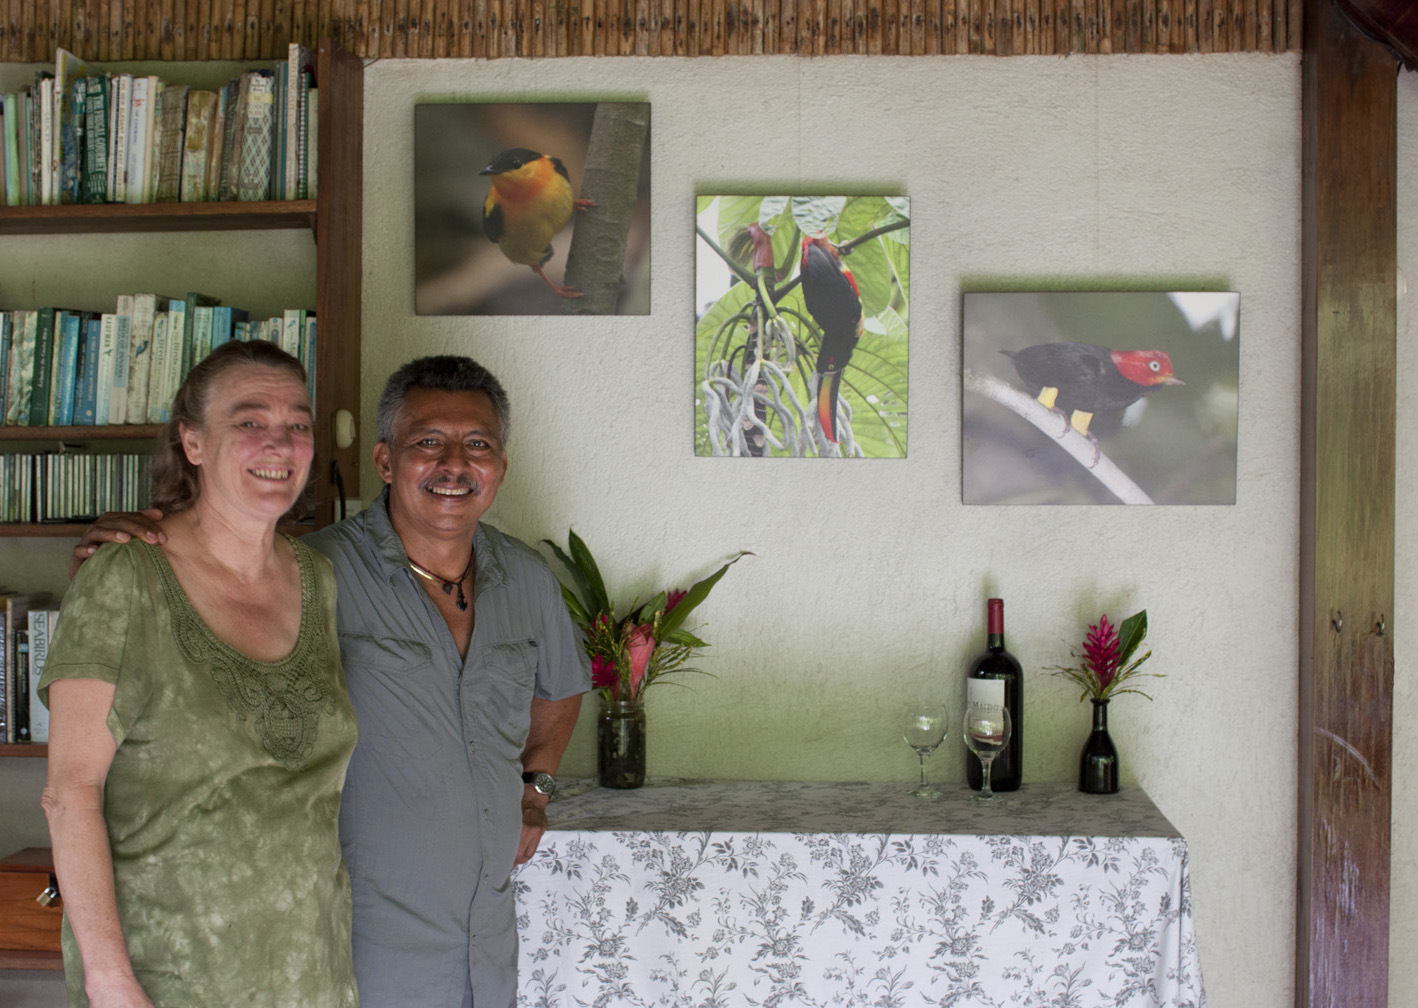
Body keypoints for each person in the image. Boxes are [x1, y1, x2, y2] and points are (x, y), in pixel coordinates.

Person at [72, 355, 590, 1008]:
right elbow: (196, 632)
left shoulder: (529, 579)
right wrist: (131, 556)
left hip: (485, 946)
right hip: (350, 947)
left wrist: (535, 786)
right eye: (428, 441)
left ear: (501, 467)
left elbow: (561, 686)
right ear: (384, 460)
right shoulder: (308, 570)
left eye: (478, 445)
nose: (454, 464)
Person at [42, 341, 359, 1008]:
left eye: (297, 424)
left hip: (311, 972)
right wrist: (109, 982)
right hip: (170, 978)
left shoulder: (316, 580)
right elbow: (70, 791)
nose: (280, 442)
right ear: (192, 442)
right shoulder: (123, 578)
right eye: (249, 421)